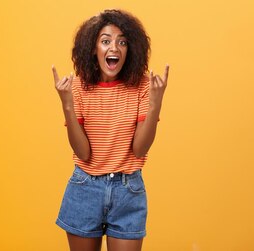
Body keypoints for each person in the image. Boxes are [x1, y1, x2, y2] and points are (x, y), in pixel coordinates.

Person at [51, 9, 169, 251]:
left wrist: (156, 102)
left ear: (130, 50)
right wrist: (66, 103)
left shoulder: (143, 86)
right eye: (106, 41)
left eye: (122, 42)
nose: (114, 47)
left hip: (128, 191)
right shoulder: (77, 86)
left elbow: (140, 149)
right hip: (85, 188)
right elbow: (83, 153)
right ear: (94, 49)